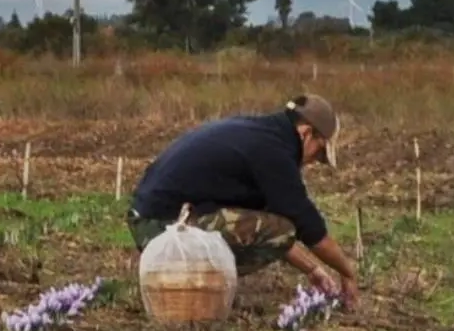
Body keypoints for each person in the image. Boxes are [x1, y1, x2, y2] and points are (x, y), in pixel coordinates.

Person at [128, 94, 360, 309]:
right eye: (318, 153)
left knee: (265, 224)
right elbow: (307, 228)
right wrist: (347, 273)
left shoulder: (258, 134)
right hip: (159, 228)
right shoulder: (273, 152)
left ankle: (192, 279)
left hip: (151, 218)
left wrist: (313, 269)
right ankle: (192, 282)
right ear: (306, 133)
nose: (313, 162)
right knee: (283, 229)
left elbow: (264, 220)